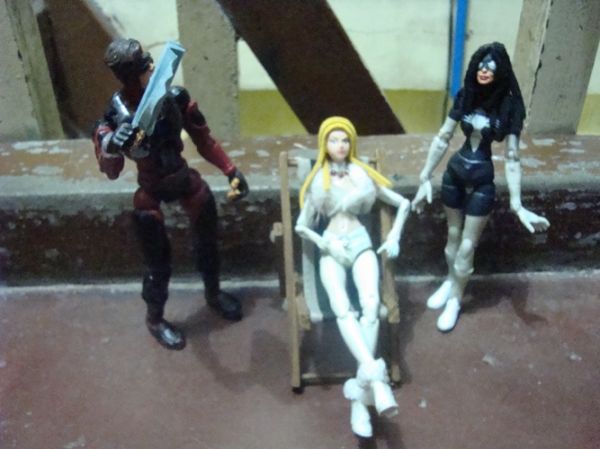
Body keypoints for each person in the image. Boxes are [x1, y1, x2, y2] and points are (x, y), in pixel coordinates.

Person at [92, 38, 249, 351]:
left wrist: (230, 170)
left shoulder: (174, 98)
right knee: (158, 265)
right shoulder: (115, 115)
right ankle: (155, 319)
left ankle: (213, 293)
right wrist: (113, 143)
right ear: (128, 75)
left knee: (207, 241)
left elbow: (204, 139)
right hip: (150, 188)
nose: (151, 68)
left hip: (182, 177)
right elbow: (110, 169)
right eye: (143, 66)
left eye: (149, 62)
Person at [411, 42, 550, 332]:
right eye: (481, 65)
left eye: (491, 67)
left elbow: (512, 156)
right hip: (454, 173)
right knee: (452, 236)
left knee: (467, 245)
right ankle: (450, 281)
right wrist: (424, 176)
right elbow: (443, 137)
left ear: (501, 72)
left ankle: (456, 299)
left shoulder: (509, 107)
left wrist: (517, 203)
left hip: (482, 181)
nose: (484, 71)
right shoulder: (467, 95)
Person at [295, 116, 410, 438]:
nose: (340, 145)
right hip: (332, 246)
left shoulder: (362, 175)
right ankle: (376, 381)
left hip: (361, 242)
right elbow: (301, 225)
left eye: (345, 139)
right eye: (333, 140)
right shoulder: (318, 180)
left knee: (371, 304)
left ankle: (360, 396)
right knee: (342, 306)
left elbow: (403, 203)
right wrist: (325, 243)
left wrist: (395, 236)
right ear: (324, 144)